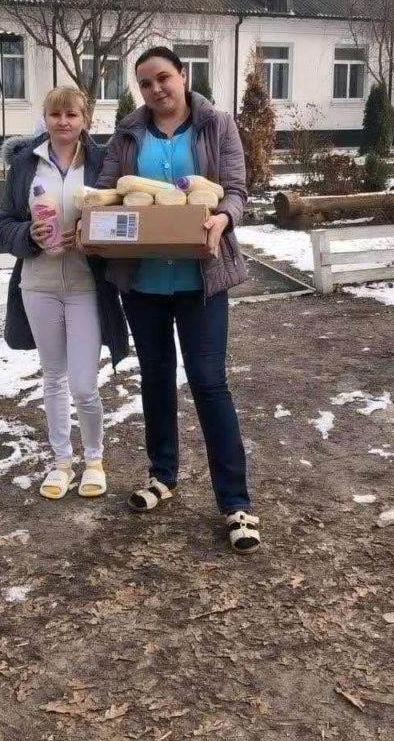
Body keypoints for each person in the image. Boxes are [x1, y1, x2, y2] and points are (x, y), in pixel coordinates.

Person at [97, 46, 260, 553]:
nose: (155, 90)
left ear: (183, 76)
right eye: (145, 83)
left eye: (163, 78)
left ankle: (235, 502)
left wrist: (223, 219)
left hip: (201, 281)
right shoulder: (127, 135)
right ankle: (162, 474)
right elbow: (107, 191)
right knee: (156, 379)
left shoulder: (217, 125)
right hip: (143, 283)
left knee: (211, 384)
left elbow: (236, 189)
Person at [0, 86, 128, 500]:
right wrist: (28, 235)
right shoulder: (24, 165)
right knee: (53, 377)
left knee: (85, 386)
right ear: (45, 118)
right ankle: (61, 462)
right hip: (39, 284)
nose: (64, 122)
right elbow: (3, 222)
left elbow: (122, 216)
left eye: (72, 114)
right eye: (56, 115)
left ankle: (94, 459)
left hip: (87, 286)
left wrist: (93, 235)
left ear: (85, 118)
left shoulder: (103, 163)